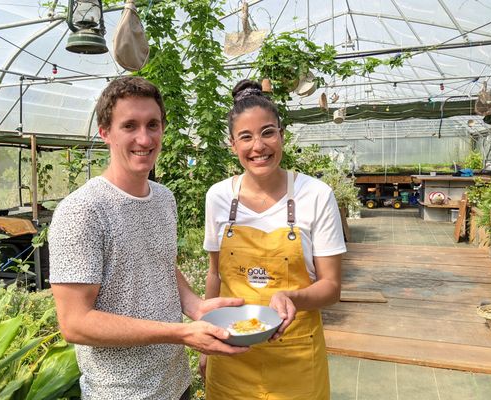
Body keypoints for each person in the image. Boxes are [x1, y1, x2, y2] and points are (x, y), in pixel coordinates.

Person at [48, 76, 248, 400]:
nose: (144, 137)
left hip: (175, 384)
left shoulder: (163, 198)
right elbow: (75, 322)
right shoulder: (82, 211)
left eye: (152, 124)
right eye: (130, 126)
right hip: (121, 393)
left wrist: (196, 307)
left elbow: (161, 265)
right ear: (105, 133)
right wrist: (182, 333)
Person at [201, 79, 346, 400]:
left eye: (268, 132)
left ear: (282, 134)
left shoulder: (316, 195)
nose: (258, 146)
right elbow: (215, 275)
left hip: (295, 356)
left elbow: (331, 287)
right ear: (232, 144)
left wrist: (294, 298)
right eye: (246, 137)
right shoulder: (219, 197)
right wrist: (206, 346)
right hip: (231, 354)